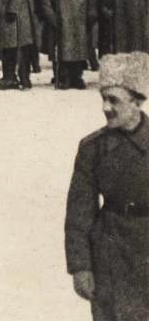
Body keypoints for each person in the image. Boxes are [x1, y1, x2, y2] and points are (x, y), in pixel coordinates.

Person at [64, 52, 149, 321]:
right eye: (103, 98)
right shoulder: (93, 148)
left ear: (136, 102)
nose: (105, 108)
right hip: (109, 256)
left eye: (114, 100)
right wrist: (81, 267)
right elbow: (79, 213)